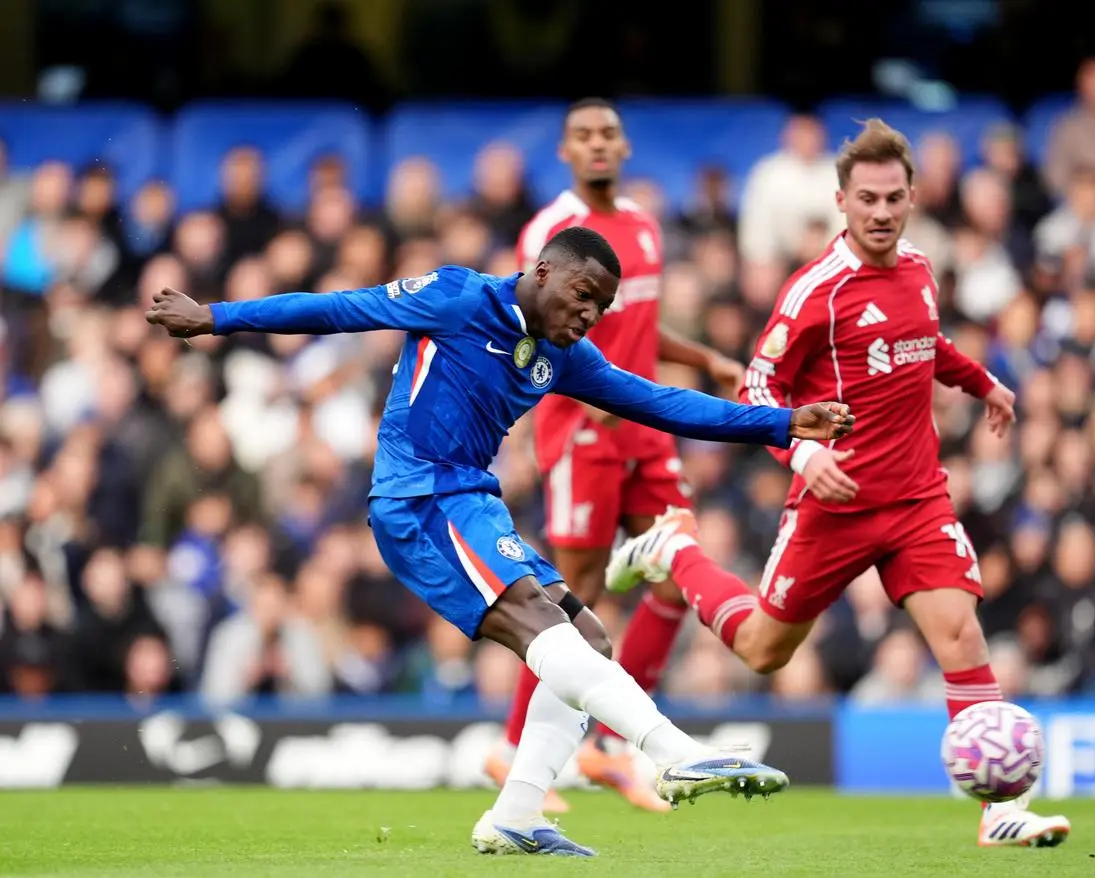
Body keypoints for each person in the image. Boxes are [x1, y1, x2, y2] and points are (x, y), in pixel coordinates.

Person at [145, 226, 854, 857]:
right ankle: (672, 753)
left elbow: (659, 402)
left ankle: (516, 816)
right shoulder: (457, 297)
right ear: (542, 271)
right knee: (544, 626)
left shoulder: (564, 355)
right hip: (418, 497)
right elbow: (339, 309)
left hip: (471, 503)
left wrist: (781, 422)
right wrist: (215, 318)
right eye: (582, 295)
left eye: (601, 307)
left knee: (589, 638)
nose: (589, 315)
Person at [606, 120, 1073, 848]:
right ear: (841, 202)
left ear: (912, 198)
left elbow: (924, 342)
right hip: (835, 502)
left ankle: (1000, 809)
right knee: (763, 649)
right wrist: (800, 456)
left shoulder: (919, 268)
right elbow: (758, 386)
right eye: (867, 199)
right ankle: (675, 552)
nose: (881, 212)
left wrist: (983, 383)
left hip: (916, 498)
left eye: (893, 198)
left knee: (960, 634)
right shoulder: (815, 291)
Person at [490, 97, 746, 813]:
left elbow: (638, 326)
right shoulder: (550, 229)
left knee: (673, 579)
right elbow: (533, 322)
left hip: (644, 431)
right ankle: (512, 752)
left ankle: (610, 745)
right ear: (566, 151)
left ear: (625, 146)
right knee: (574, 599)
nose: (598, 144)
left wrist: (707, 359)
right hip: (583, 434)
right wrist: (568, 402)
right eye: (584, 135)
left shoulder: (644, 226)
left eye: (608, 133)